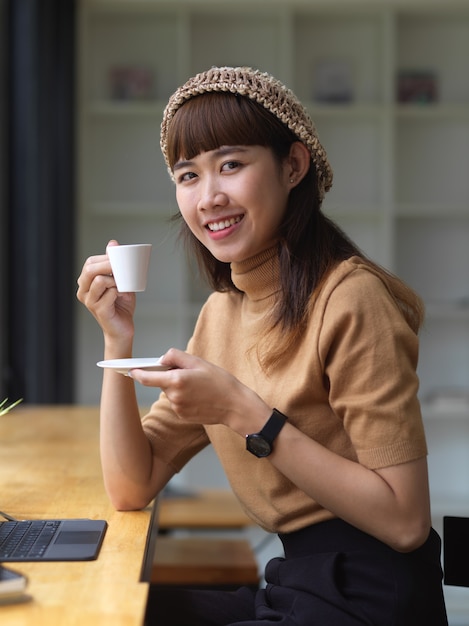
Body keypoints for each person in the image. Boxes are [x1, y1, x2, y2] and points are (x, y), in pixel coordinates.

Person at [77, 66, 448, 625]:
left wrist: (245, 413)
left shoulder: (350, 297)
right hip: (294, 583)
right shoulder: (222, 315)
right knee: (112, 611)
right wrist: (117, 336)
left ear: (293, 166)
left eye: (231, 164)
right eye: (187, 176)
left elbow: (405, 521)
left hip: (369, 596)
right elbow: (132, 485)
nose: (209, 197)